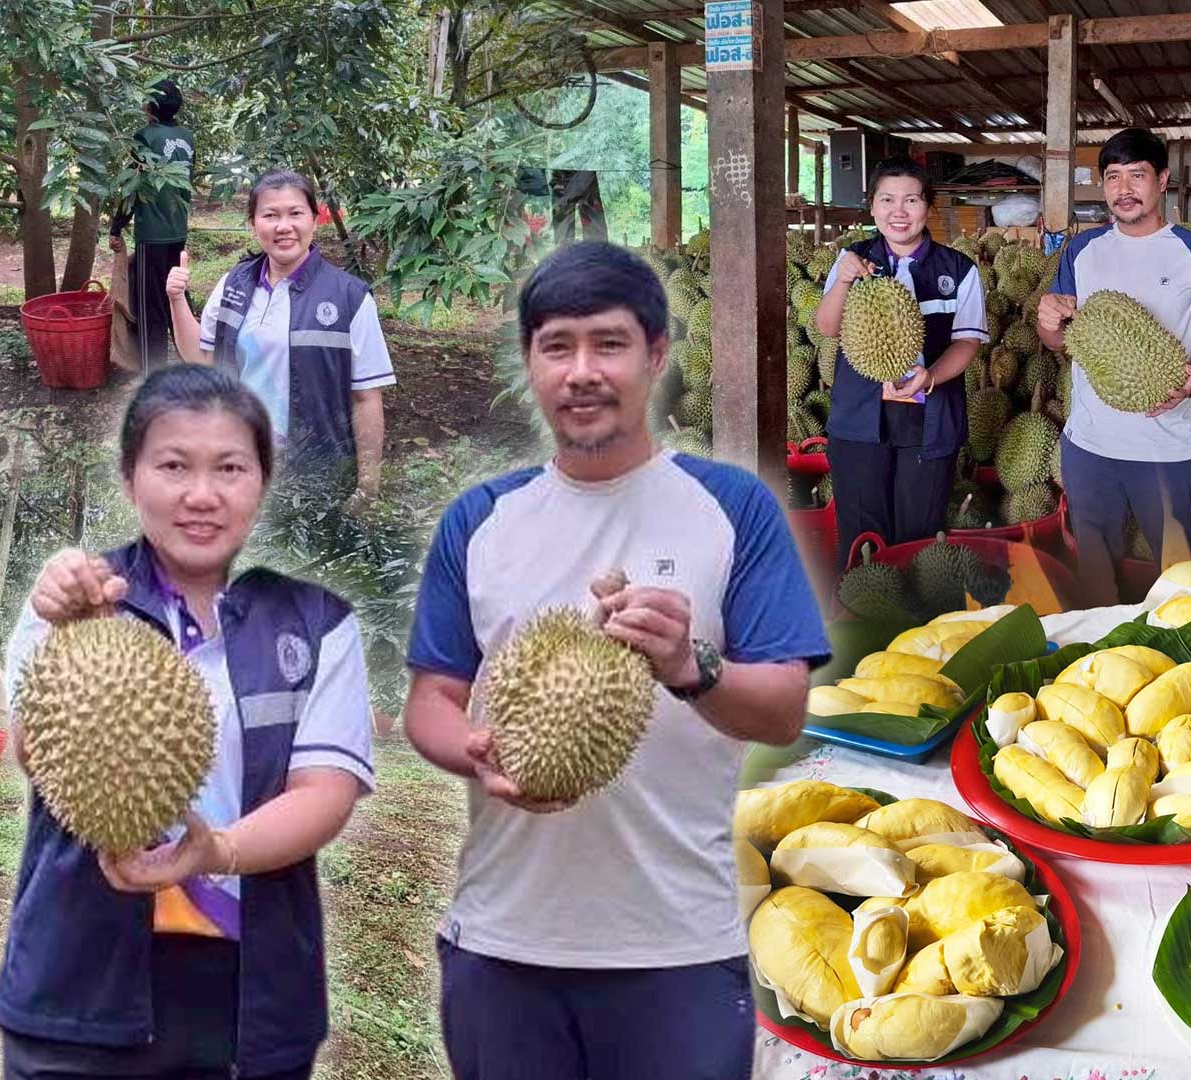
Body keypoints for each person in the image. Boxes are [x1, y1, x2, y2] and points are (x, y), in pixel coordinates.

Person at [403, 241, 831, 1080]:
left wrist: (689, 664)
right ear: (530, 361)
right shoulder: (481, 519)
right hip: (503, 940)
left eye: (609, 344)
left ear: (657, 355)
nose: (582, 371)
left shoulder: (732, 507)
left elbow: (782, 706)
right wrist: (474, 752)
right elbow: (431, 699)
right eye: (556, 346)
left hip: (677, 946)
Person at [0, 366, 376, 1080]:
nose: (202, 495)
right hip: (78, 988)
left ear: (261, 481)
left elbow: (325, 792)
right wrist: (64, 629)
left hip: (246, 997)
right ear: (131, 478)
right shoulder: (76, 600)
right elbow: (34, 757)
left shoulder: (316, 623)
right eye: (173, 466)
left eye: (230, 467)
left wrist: (215, 851)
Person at [1037, 126, 1191, 608]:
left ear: (1163, 180)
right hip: (1089, 445)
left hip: (1166, 445)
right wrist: (1047, 320)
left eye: (1137, 175)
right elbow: (1060, 339)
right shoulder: (1082, 250)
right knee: (1094, 581)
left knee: (1184, 580)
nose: (1124, 189)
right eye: (1113, 177)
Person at [165, 170, 394, 515]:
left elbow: (366, 397)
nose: (283, 226)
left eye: (295, 214)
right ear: (253, 223)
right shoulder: (233, 285)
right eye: (270, 215)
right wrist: (176, 299)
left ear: (315, 221)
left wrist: (367, 488)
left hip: (315, 468)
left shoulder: (349, 296)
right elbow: (200, 357)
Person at [814, 157, 988, 572]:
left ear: (927, 206)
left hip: (929, 419)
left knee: (918, 536)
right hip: (859, 419)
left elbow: (967, 342)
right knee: (861, 536)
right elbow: (827, 326)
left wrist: (931, 376)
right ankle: (861, 624)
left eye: (911, 200)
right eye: (887, 199)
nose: (899, 211)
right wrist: (843, 280)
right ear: (872, 207)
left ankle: (912, 631)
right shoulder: (852, 260)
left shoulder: (959, 269)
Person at [110, 78, 195, 368]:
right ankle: (193, 360)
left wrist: (116, 226)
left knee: (150, 306)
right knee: (177, 295)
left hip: (152, 233)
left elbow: (132, 187)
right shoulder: (187, 136)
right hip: (177, 229)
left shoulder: (144, 137)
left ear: (150, 106)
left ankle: (153, 372)